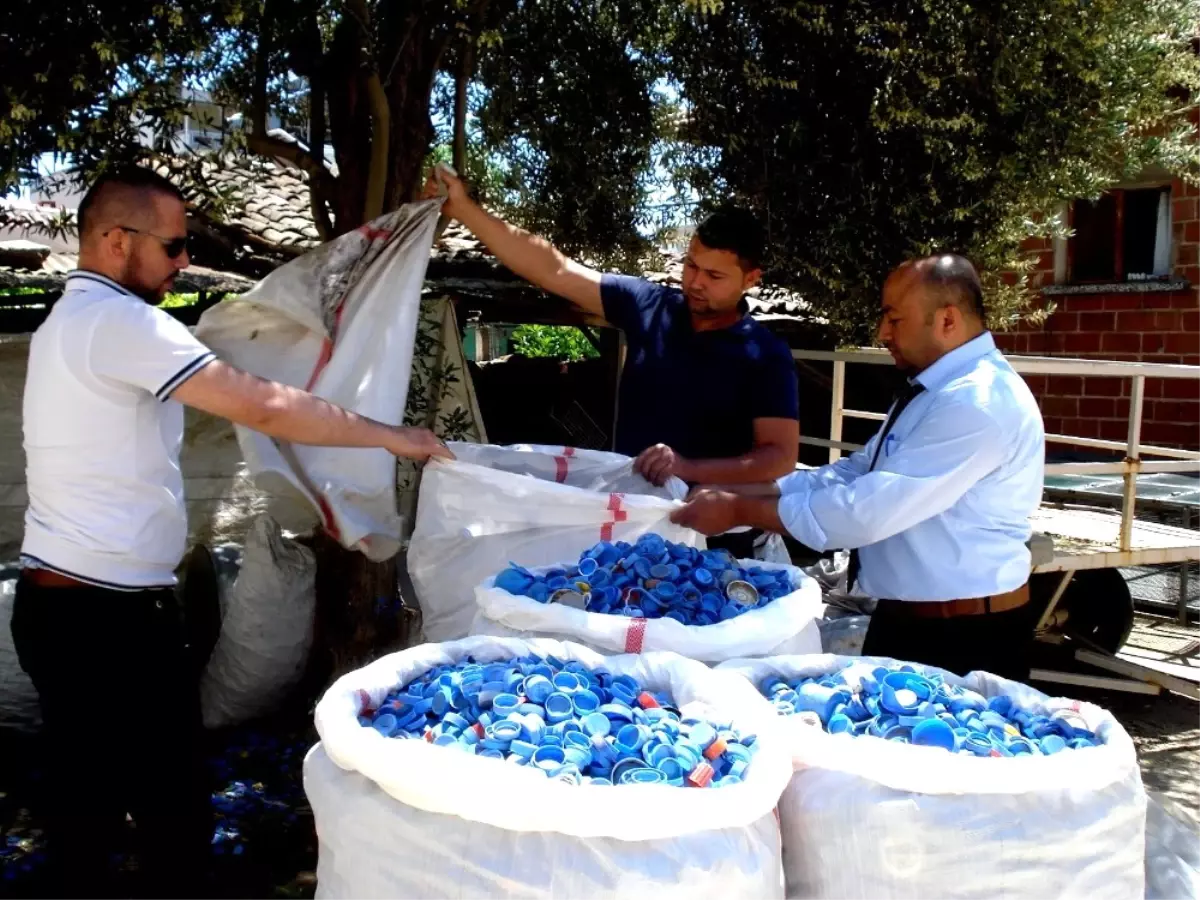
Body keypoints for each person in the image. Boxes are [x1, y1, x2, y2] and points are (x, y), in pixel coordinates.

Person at [11, 167, 452, 899]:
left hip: (63, 608)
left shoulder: (73, 321)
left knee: (85, 809)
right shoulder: (122, 324)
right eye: (174, 244)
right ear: (115, 240)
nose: (184, 261)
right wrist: (391, 436)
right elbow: (266, 408)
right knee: (171, 810)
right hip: (106, 620)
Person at [671, 254, 1045, 681]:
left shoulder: (977, 402)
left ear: (946, 320)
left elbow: (868, 510)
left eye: (894, 319)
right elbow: (856, 473)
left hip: (965, 636)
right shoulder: (934, 390)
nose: (882, 333)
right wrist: (749, 492)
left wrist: (739, 511)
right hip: (910, 618)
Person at [424, 168, 799, 559]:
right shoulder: (651, 307)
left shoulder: (765, 355)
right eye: (691, 265)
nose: (695, 282)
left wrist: (689, 467)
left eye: (714, 275)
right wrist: (466, 211)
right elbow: (556, 269)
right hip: (629, 527)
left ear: (750, 279)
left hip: (714, 544)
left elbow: (779, 456)